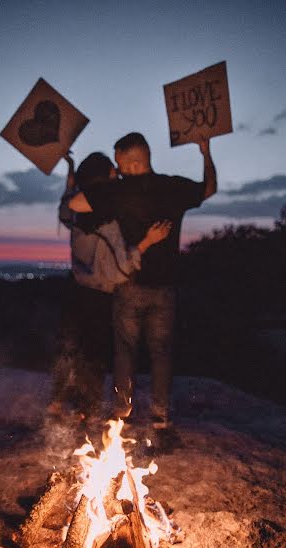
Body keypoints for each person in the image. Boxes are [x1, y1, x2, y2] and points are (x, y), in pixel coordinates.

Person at [69, 132, 217, 428]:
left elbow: (76, 204)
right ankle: (160, 415)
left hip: (131, 285)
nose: (119, 170)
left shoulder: (119, 191)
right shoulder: (173, 187)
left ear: (134, 162)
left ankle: (122, 412)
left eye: (121, 164)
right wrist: (205, 151)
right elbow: (209, 188)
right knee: (161, 352)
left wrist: (109, 189)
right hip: (166, 287)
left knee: (125, 350)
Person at [51, 150, 170, 420]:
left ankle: (56, 404)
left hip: (75, 290)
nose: (117, 174)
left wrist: (70, 173)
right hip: (99, 296)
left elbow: (63, 208)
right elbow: (119, 270)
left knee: (70, 346)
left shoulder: (76, 213)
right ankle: (86, 412)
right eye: (113, 172)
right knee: (93, 355)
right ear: (104, 179)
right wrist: (148, 241)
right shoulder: (108, 222)